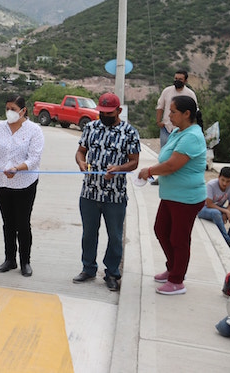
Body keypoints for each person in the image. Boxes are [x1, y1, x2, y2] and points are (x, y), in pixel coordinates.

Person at [138, 96, 206, 295]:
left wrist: (149, 171)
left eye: (173, 111)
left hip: (186, 198)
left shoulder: (192, 136)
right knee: (161, 230)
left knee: (179, 238)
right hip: (171, 195)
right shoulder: (179, 132)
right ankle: (172, 268)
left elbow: (172, 165)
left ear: (187, 114)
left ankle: (177, 280)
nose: (169, 115)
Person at [72, 92, 140, 292]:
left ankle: (111, 273)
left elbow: (134, 161)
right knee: (89, 233)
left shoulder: (129, 132)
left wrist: (118, 169)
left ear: (119, 111)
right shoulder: (91, 127)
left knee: (115, 236)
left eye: (109, 113)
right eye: (102, 112)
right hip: (90, 193)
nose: (104, 116)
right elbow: (80, 151)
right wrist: (81, 162)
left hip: (115, 195)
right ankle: (88, 268)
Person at [0, 95, 44, 277]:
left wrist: (18, 168)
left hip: (24, 183)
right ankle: (10, 259)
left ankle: (25, 261)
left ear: (23, 111)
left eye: (13, 109)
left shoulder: (34, 130)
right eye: (7, 108)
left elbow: (34, 158)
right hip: (0, 182)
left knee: (22, 223)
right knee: (8, 222)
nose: (9, 112)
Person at [198, 167, 230, 247]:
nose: (224, 183)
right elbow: (209, 204)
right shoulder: (211, 185)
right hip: (203, 209)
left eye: (228, 181)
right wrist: (226, 211)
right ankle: (227, 240)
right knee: (216, 213)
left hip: (219, 208)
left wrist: (227, 212)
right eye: (222, 180)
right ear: (219, 177)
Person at [155, 70, 197, 149]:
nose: (177, 81)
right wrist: (158, 121)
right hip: (167, 128)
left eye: (180, 79)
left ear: (186, 81)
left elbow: (194, 110)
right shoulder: (167, 91)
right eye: (176, 78)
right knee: (165, 151)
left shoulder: (190, 94)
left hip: (182, 130)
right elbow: (160, 107)